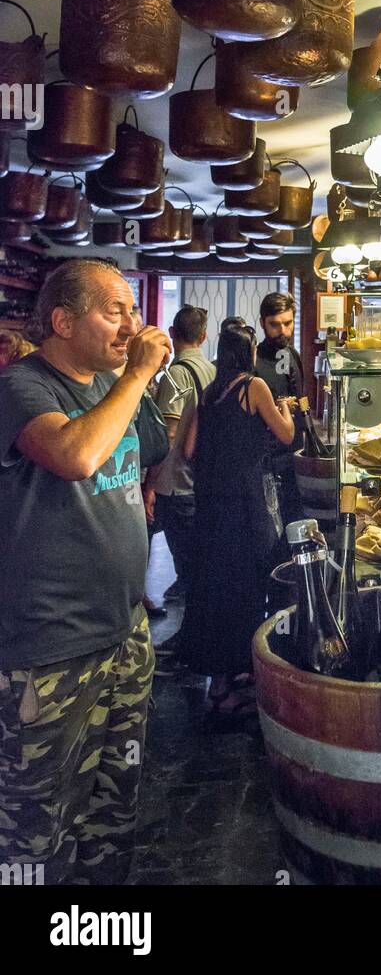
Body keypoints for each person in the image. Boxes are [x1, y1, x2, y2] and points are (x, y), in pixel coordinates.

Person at [0, 258, 171, 885]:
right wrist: (138, 374)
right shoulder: (23, 387)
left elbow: (151, 449)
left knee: (112, 804)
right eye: (114, 310)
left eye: (132, 310)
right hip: (52, 645)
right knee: (37, 825)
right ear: (63, 320)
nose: (130, 324)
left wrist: (138, 384)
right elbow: (76, 455)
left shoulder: (108, 383)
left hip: (123, 631)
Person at [179, 324, 295, 716]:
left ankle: (230, 673)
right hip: (246, 502)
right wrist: (283, 410)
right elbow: (285, 435)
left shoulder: (209, 392)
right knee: (246, 584)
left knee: (216, 586)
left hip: (211, 504)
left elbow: (190, 447)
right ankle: (230, 684)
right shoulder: (254, 387)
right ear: (249, 354)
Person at [144, 305, 216, 606]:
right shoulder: (212, 370)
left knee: (182, 552)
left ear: (172, 334)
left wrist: (149, 485)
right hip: (200, 474)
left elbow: (168, 435)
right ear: (203, 335)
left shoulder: (177, 373)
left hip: (174, 479)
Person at [255, 292, 304, 522]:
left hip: (296, 457)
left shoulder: (293, 354)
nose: (283, 331)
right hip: (267, 461)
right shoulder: (253, 360)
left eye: (288, 323)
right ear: (263, 322)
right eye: (275, 325)